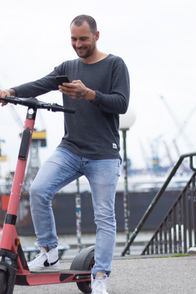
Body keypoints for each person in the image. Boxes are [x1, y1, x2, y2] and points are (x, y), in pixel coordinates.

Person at [0, 14, 130, 294]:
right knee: (38, 190)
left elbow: (121, 103)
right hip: (70, 148)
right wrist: (10, 91)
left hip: (103, 154)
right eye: (73, 39)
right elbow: (39, 85)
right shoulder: (67, 67)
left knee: (104, 217)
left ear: (96, 35)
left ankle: (99, 277)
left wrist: (88, 94)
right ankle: (49, 252)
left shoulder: (115, 64)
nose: (78, 44)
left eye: (83, 38)